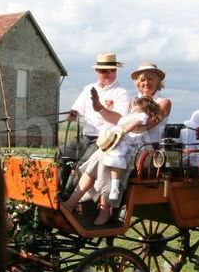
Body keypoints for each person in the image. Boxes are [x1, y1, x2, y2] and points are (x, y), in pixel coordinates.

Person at [61, 96, 162, 224]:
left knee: (106, 161)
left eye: (136, 104)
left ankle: (105, 210)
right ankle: (72, 202)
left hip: (135, 154)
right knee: (99, 155)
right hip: (121, 150)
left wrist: (120, 131)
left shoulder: (142, 116)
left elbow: (128, 128)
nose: (133, 105)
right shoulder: (130, 116)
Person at [68, 53, 130, 146]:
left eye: (113, 70)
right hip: (85, 136)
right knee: (62, 152)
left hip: (107, 138)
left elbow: (119, 119)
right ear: (97, 71)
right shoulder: (88, 88)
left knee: (84, 160)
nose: (109, 74)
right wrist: (73, 114)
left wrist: (100, 108)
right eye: (104, 71)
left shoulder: (121, 92)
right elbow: (77, 110)